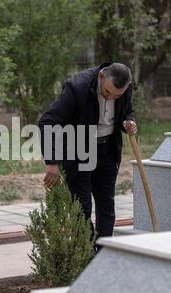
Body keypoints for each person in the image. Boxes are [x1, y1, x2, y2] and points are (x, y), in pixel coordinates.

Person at [38, 62, 137, 251]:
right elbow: (48, 121)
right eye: (108, 93)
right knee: (81, 207)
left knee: (106, 205)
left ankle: (104, 252)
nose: (111, 98)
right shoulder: (78, 86)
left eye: (117, 96)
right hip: (78, 150)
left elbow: (127, 110)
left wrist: (129, 121)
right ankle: (87, 253)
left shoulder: (124, 87)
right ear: (101, 76)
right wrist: (52, 162)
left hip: (108, 150)